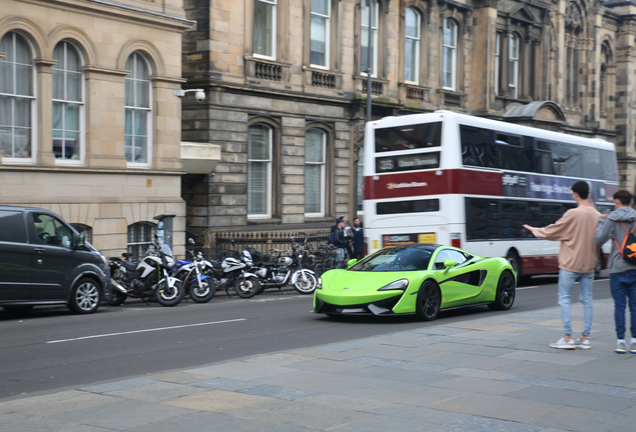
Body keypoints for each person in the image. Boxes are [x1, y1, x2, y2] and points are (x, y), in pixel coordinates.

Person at [523, 181, 600, 350]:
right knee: (587, 300)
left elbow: (554, 230)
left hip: (570, 264)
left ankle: (568, 337)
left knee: (564, 298)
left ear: (575, 194)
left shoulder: (572, 213)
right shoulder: (596, 214)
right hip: (588, 265)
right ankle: (585, 338)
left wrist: (535, 230)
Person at [595, 189, 636, 354]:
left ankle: (620, 341)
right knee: (634, 307)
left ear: (617, 201)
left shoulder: (611, 219)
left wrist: (601, 221)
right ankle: (634, 341)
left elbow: (598, 239)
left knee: (619, 306)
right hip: (634, 267)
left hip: (617, 269)